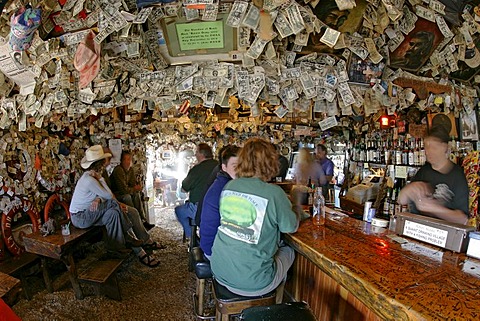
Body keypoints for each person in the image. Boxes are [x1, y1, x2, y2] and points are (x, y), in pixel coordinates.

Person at [210, 138, 299, 298]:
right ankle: (276, 307)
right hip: (254, 283)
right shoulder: (274, 193)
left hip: (219, 270)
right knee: (290, 251)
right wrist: (298, 212)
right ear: (270, 163)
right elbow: (290, 227)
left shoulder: (229, 186)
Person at [69, 145, 161, 267]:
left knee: (113, 213)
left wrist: (98, 198)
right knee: (113, 204)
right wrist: (101, 180)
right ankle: (128, 236)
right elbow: (110, 196)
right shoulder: (90, 179)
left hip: (89, 213)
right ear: (100, 163)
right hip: (80, 217)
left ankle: (115, 248)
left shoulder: (93, 177)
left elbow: (103, 195)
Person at [398, 127, 469, 224]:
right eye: (426, 147)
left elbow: (463, 219)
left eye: (433, 147)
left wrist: (434, 208)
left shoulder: (457, 175)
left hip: (442, 235)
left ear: (445, 147)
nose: (428, 152)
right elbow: (401, 200)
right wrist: (408, 190)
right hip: (418, 230)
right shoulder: (424, 171)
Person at [199, 145, 239, 259]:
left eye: (242, 166)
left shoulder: (221, 181)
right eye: (235, 166)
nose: (240, 171)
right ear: (224, 167)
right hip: (214, 250)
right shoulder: (227, 188)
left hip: (210, 245)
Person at [175, 143, 218, 238]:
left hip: (199, 207)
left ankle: (192, 237)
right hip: (217, 206)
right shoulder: (219, 166)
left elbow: (184, 188)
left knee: (179, 210)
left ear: (201, 154)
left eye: (196, 152)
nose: (195, 154)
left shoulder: (196, 169)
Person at [110, 151, 154, 229]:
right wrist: (134, 188)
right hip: (116, 195)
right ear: (121, 161)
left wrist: (137, 187)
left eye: (129, 160)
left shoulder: (130, 170)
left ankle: (142, 220)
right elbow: (123, 190)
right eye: (125, 160)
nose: (127, 162)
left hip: (126, 192)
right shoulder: (118, 170)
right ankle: (133, 221)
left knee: (136, 195)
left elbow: (133, 183)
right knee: (128, 197)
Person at [291, 148, 326, 214]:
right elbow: (323, 181)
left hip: (299, 195)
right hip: (313, 194)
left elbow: (293, 180)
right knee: (314, 213)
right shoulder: (316, 166)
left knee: (300, 213)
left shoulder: (297, 166)